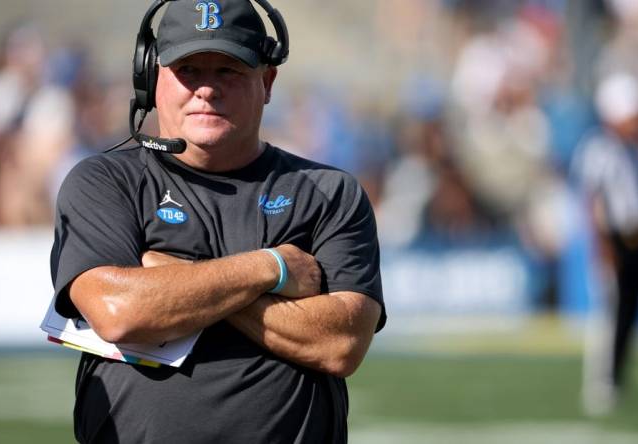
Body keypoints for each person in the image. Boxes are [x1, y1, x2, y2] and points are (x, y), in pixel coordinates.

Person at [48, 1, 386, 442]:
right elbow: (119, 312)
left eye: (228, 70)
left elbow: (340, 344)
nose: (207, 89)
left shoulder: (328, 192)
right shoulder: (106, 181)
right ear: (151, 79)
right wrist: (270, 268)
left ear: (266, 82)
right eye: (189, 70)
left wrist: (173, 280)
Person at [571, 71, 638, 415]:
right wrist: (602, 246)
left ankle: (617, 377)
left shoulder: (632, 149)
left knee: (631, 312)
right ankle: (602, 382)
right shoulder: (599, 150)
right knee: (611, 314)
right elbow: (593, 203)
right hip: (616, 241)